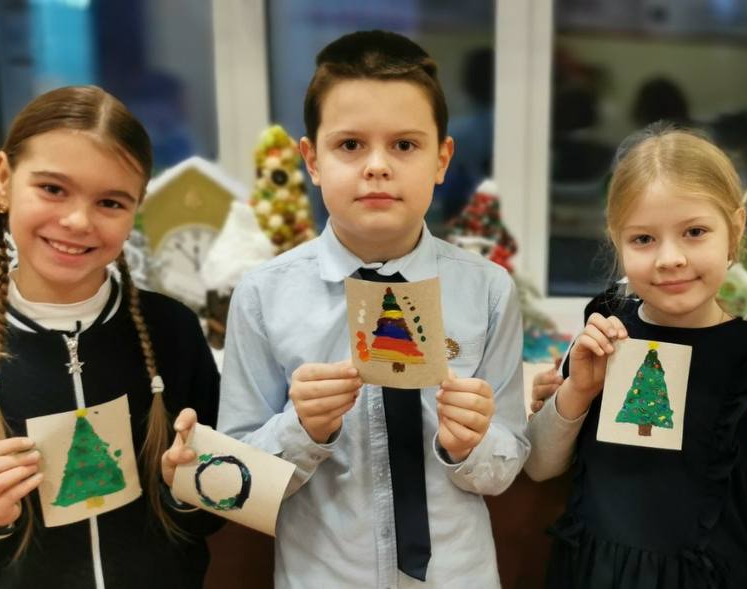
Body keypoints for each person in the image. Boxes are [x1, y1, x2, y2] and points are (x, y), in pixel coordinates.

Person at [216, 31, 529, 587]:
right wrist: (301, 429)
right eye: (350, 145)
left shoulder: (488, 290)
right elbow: (237, 479)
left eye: (405, 145)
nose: (378, 166)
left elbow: (505, 466)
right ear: (312, 160)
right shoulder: (263, 296)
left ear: (442, 159)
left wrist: (473, 443)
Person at [0, 85, 221, 588]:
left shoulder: (174, 331)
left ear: (135, 210)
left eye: (110, 202)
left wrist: (186, 488)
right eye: (53, 189)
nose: (78, 221)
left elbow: (211, 514)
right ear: (4, 179)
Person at [525, 124, 747, 587]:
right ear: (616, 240)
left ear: (735, 229)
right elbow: (539, 465)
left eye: (694, 232)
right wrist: (577, 391)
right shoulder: (601, 335)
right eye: (643, 239)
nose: (670, 258)